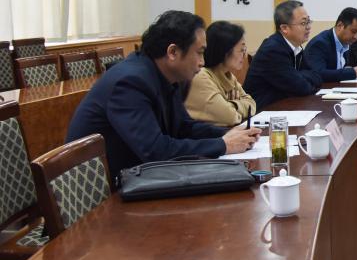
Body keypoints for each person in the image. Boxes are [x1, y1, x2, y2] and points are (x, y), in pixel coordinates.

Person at [66, 11, 260, 185]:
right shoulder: (130, 82)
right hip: (102, 194)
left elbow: (183, 127)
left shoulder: (166, 75)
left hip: (136, 177)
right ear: (173, 52)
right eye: (200, 53)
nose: (203, 62)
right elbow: (155, 151)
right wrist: (223, 145)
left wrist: (229, 133)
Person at [243, 0, 322, 109]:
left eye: (309, 22)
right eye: (303, 23)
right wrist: (298, 78)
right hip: (262, 111)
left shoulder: (296, 46)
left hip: (285, 106)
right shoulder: (273, 50)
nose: (308, 27)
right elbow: (302, 88)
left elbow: (317, 77)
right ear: (284, 28)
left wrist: (297, 76)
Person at [184, 21, 257, 126]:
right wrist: (237, 106)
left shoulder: (228, 76)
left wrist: (231, 105)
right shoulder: (201, 76)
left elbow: (251, 104)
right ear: (225, 51)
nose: (244, 55)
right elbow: (230, 117)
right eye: (241, 50)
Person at [305, 7, 357, 82]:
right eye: (353, 31)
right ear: (340, 25)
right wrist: (352, 72)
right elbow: (318, 74)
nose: (356, 37)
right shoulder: (320, 44)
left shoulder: (346, 43)